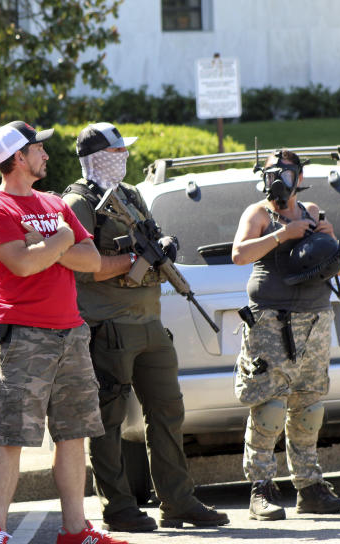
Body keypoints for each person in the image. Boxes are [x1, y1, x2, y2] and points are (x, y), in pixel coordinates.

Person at [61, 122, 229, 532]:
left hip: (150, 321)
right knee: (108, 418)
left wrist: (163, 245)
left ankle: (178, 500)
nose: (124, 159)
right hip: (109, 325)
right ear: (97, 156)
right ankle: (117, 507)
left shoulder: (130, 195)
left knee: (168, 410)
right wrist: (129, 263)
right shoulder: (78, 202)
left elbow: (149, 236)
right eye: (117, 153)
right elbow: (78, 267)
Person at [0, 120, 129, 544]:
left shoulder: (53, 203)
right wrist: (61, 242)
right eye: (38, 148)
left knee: (73, 434)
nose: (45, 154)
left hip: (71, 333)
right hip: (23, 336)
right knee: (12, 436)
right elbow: (21, 265)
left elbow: (92, 260)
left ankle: (75, 531)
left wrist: (47, 246)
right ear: (17, 158)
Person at [230, 148, 340, 520]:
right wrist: (283, 235)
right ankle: (260, 489)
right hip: (271, 322)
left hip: (314, 319)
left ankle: (309, 486)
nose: (279, 179)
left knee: (309, 405)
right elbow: (239, 254)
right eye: (272, 173)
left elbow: (336, 270)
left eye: (286, 173)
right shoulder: (259, 214)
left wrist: (329, 240)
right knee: (268, 404)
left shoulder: (312, 211)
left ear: (299, 176)